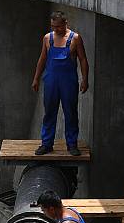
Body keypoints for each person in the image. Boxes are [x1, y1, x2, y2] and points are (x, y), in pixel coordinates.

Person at [32, 11, 89, 156]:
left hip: (68, 81)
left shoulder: (75, 38)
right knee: (49, 112)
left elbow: (83, 59)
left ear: (65, 23)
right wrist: (36, 78)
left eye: (58, 27)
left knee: (70, 112)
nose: (55, 29)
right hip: (51, 81)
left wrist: (85, 79)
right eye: (52, 26)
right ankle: (46, 144)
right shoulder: (47, 38)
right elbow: (42, 59)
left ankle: (72, 144)